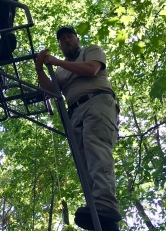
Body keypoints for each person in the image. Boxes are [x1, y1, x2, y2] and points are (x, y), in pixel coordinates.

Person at [35, 26, 122, 231]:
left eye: (69, 37)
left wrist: (55, 61)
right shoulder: (61, 70)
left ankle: (106, 204)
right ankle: (99, 213)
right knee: (84, 163)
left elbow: (91, 69)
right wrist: (40, 69)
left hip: (97, 102)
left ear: (77, 39)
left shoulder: (90, 51)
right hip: (74, 113)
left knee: (95, 148)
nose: (66, 41)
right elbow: (49, 90)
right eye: (62, 39)